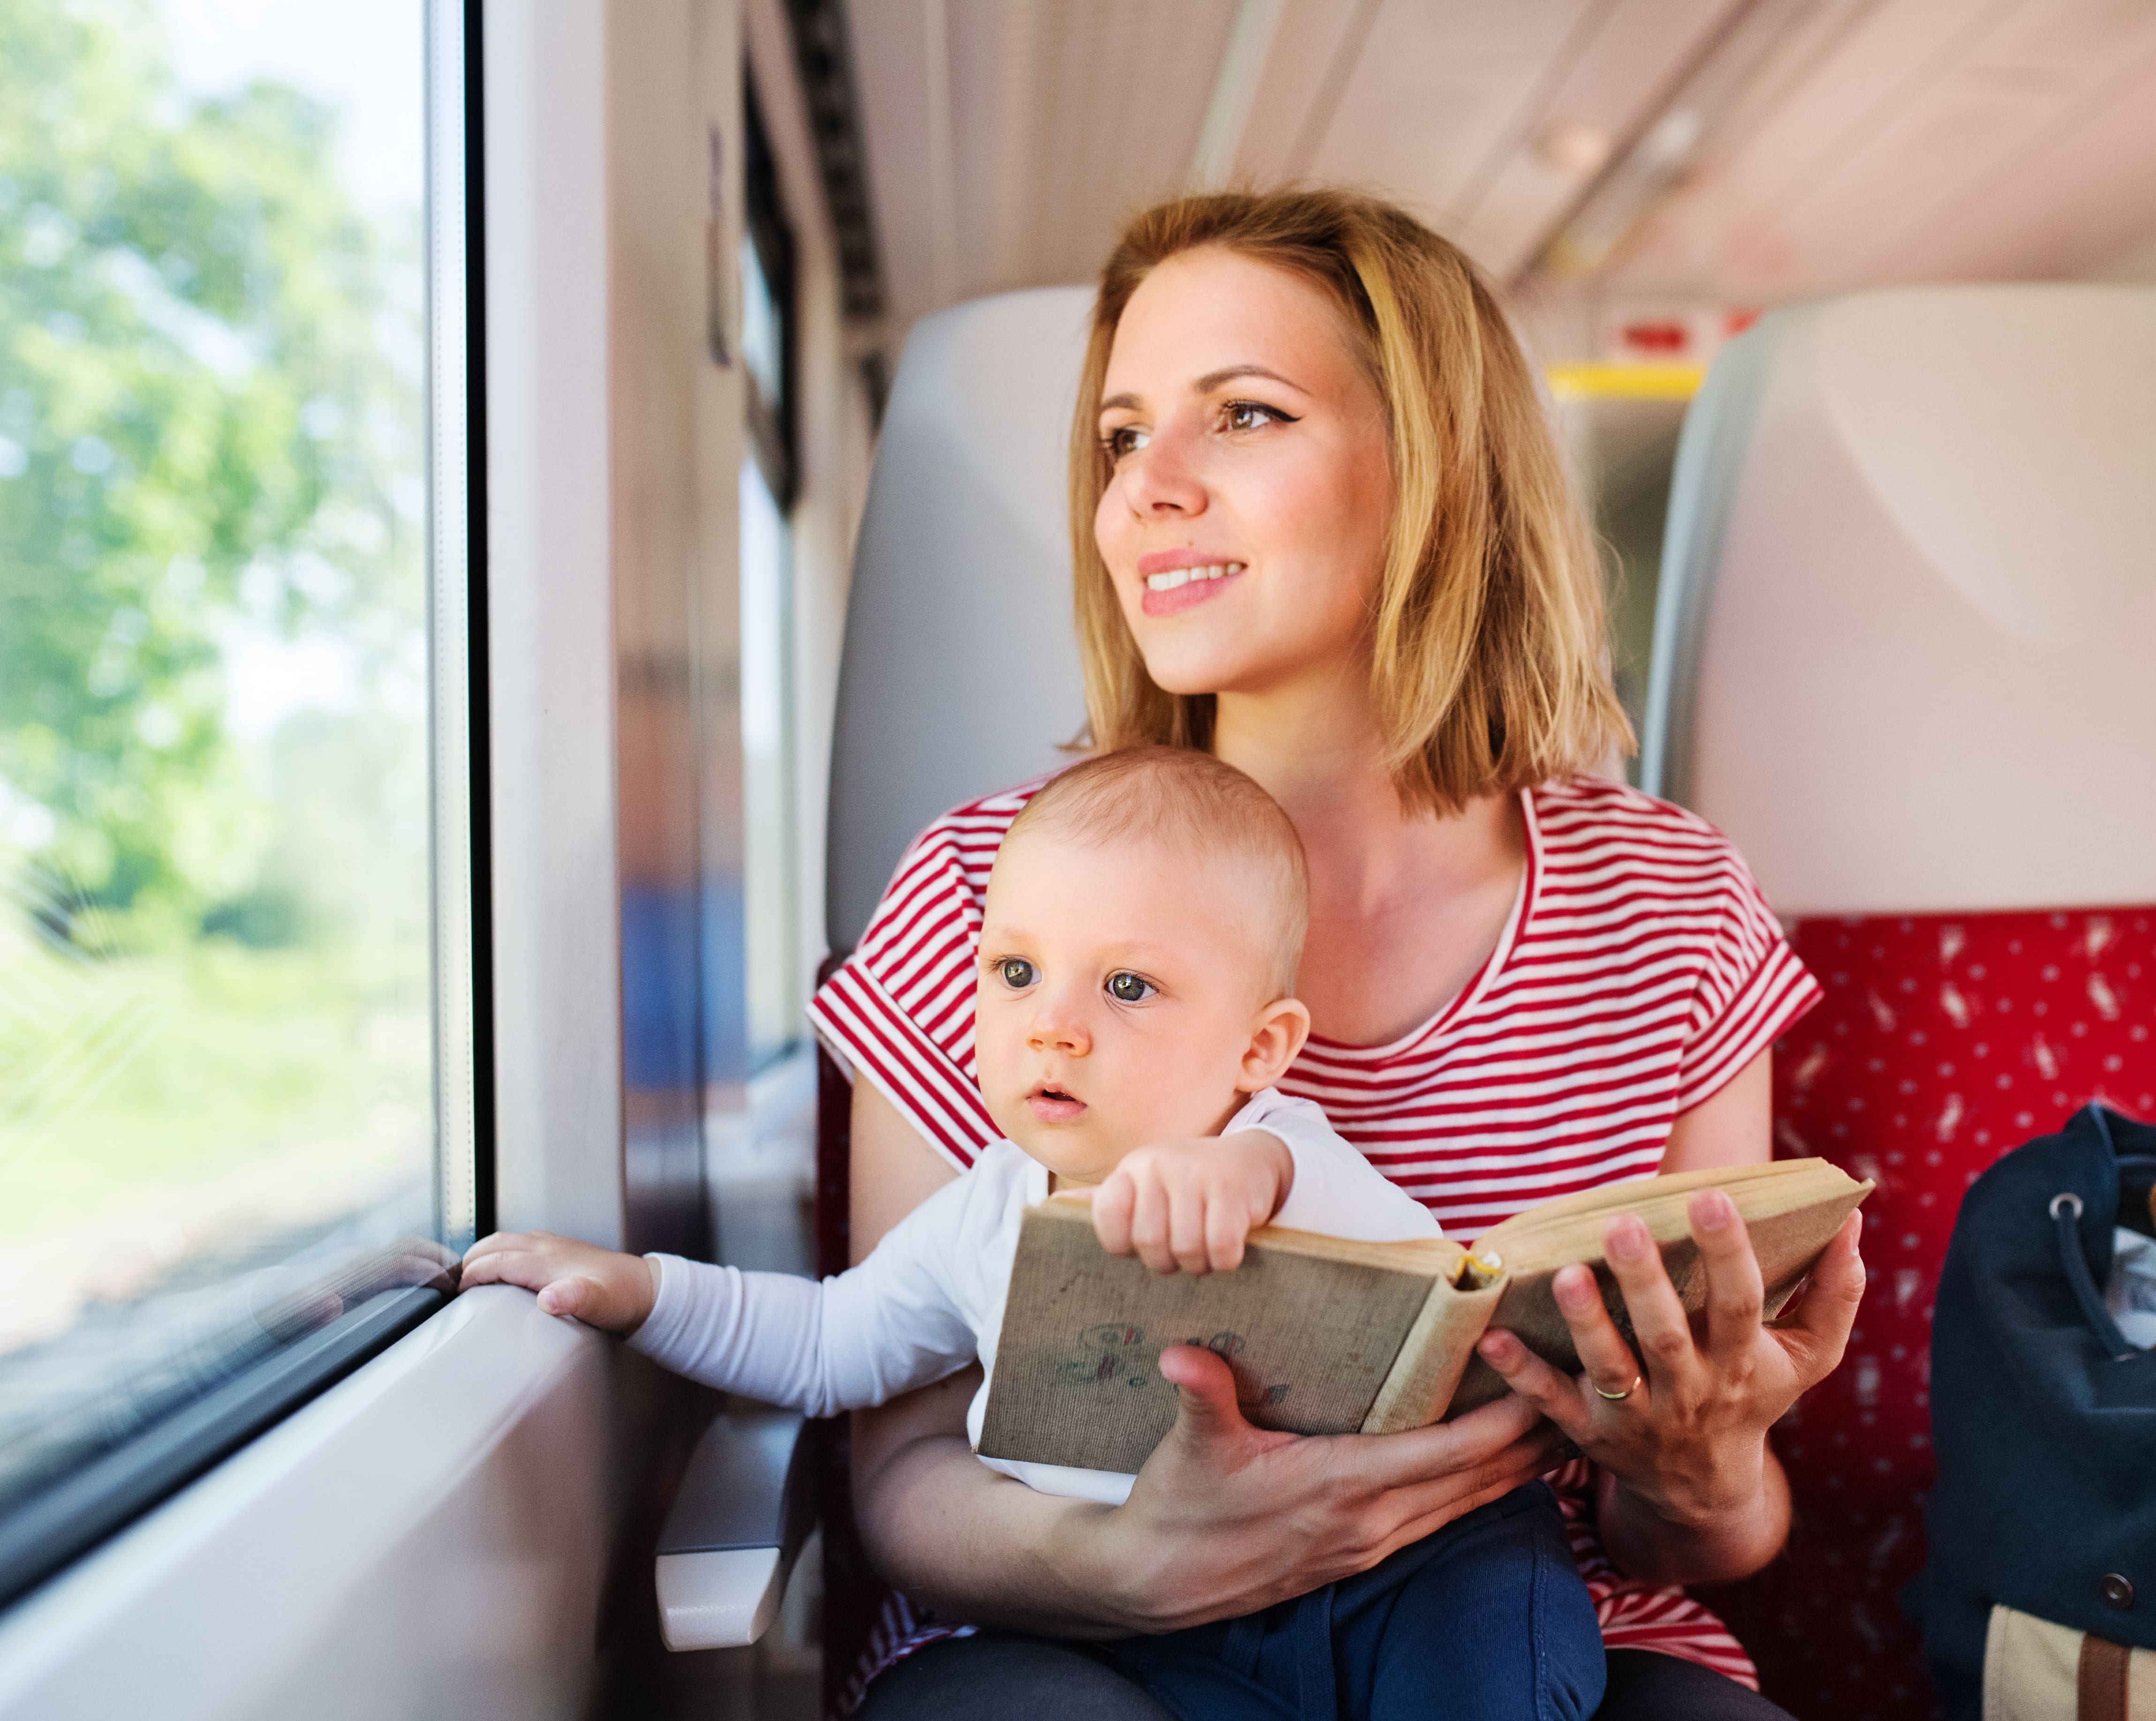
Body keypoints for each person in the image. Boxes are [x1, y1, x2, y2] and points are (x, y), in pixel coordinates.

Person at [815, 186, 1863, 1721]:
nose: (1145, 489)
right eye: (1120, 436)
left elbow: (1700, 1541)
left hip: (1525, 1628)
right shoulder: (984, 886)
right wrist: (1135, 1565)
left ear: (1435, 469)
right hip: (1073, 1636)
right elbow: (900, 1467)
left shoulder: (1671, 901)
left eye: (1242, 414)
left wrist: (1701, 1466)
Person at [460, 746, 1609, 1721]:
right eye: (1016, 971)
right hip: (1146, 1628)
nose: (1053, 1025)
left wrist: (1233, 1176)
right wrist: (644, 1290)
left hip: (1408, 1573)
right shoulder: (985, 1211)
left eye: (1127, 986)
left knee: (1495, 1647)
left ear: (1259, 1048)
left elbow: (1436, 1282)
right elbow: (823, 1341)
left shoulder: (1277, 1152)